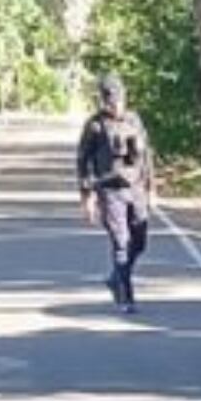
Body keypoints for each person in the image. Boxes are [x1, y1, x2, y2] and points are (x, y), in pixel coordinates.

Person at [76, 73, 156, 313]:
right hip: (109, 191)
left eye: (120, 100)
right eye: (111, 102)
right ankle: (126, 296)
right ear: (103, 101)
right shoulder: (95, 126)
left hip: (136, 188)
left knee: (139, 242)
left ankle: (116, 277)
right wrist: (87, 197)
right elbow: (83, 161)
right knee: (121, 242)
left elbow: (147, 156)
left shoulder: (134, 121)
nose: (117, 106)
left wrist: (152, 187)